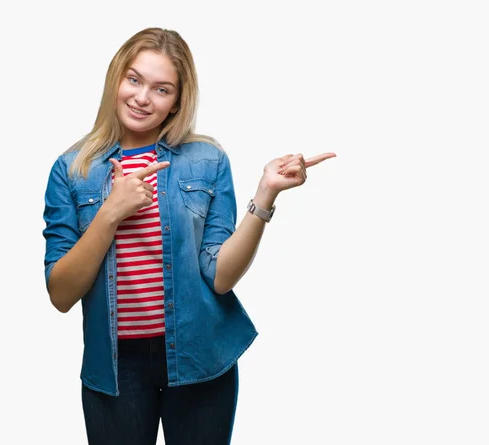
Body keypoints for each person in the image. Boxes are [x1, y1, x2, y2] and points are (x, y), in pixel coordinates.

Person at [42, 27, 335, 445]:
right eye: (134, 80)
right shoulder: (71, 170)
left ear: (177, 101)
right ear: (116, 78)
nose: (143, 98)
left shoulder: (208, 160)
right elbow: (60, 294)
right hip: (115, 367)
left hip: (200, 354)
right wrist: (110, 213)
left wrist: (266, 194)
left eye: (161, 89)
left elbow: (220, 276)